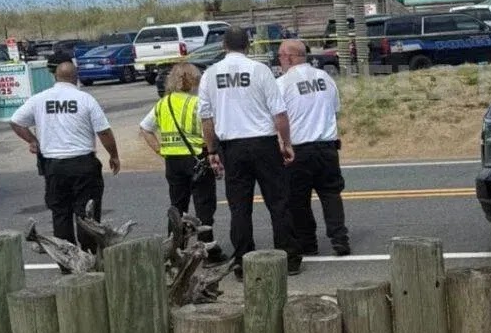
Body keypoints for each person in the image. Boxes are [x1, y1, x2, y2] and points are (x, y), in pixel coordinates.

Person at [197, 26, 302, 278]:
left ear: (224, 46)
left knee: (239, 207)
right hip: (263, 143)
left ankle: (243, 261)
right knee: (278, 202)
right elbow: (279, 112)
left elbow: (206, 119)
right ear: (248, 45)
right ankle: (289, 258)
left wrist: (211, 150)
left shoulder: (210, 74)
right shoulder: (260, 70)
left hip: (232, 147)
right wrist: (286, 142)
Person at [9, 62, 121, 257]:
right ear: (76, 77)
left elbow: (16, 121)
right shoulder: (85, 99)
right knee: (87, 212)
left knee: (60, 213)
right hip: (83, 163)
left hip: (54, 165)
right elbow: (103, 131)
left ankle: (66, 258)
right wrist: (114, 155)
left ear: (55, 77)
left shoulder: (40, 99)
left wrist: (33, 140)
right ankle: (89, 255)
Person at [139, 62, 227, 264]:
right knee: (204, 205)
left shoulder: (164, 103)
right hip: (196, 158)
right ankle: (207, 249)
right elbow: (208, 130)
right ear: (196, 80)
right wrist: (214, 152)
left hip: (173, 161)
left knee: (177, 206)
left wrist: (159, 148)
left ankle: (175, 249)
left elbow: (145, 127)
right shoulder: (196, 103)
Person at [276, 40, 350, 256]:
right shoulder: (325, 78)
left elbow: (279, 118)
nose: (279, 60)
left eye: (280, 55)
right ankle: (340, 239)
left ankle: (308, 243)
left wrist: (283, 143)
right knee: (331, 194)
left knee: (298, 200)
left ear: (289, 57)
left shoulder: (282, 84)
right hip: (327, 146)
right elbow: (335, 111)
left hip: (299, 148)